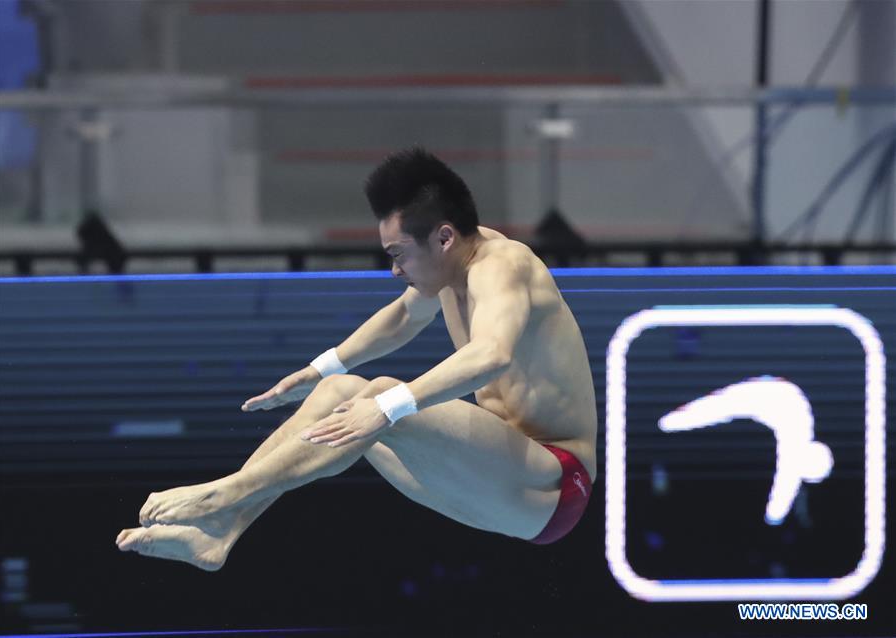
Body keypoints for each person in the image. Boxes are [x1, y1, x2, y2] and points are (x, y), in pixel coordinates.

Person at [116, 147, 598, 571]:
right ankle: (220, 535)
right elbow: (402, 319)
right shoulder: (449, 265)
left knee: (379, 397)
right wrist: (321, 368)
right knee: (338, 394)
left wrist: (389, 405)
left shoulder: (503, 266)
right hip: (492, 477)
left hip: (555, 483)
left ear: (444, 237)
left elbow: (491, 354)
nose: (394, 269)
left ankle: (225, 494)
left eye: (398, 254)